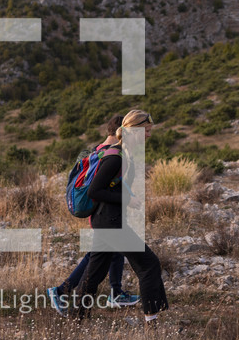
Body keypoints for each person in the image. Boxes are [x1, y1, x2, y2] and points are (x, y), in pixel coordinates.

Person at [75, 109, 168, 326]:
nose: (148, 135)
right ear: (134, 131)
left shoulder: (123, 153)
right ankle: (152, 322)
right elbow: (94, 191)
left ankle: (76, 318)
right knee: (149, 265)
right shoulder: (116, 157)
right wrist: (128, 199)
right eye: (146, 131)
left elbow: (111, 187)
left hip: (107, 221)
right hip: (110, 223)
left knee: (94, 274)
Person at [47, 115, 140, 316]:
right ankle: (63, 291)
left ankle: (114, 292)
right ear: (121, 132)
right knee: (99, 255)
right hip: (103, 213)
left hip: (102, 213)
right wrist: (127, 199)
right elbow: (100, 188)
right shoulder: (112, 154)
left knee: (108, 253)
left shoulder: (97, 150)